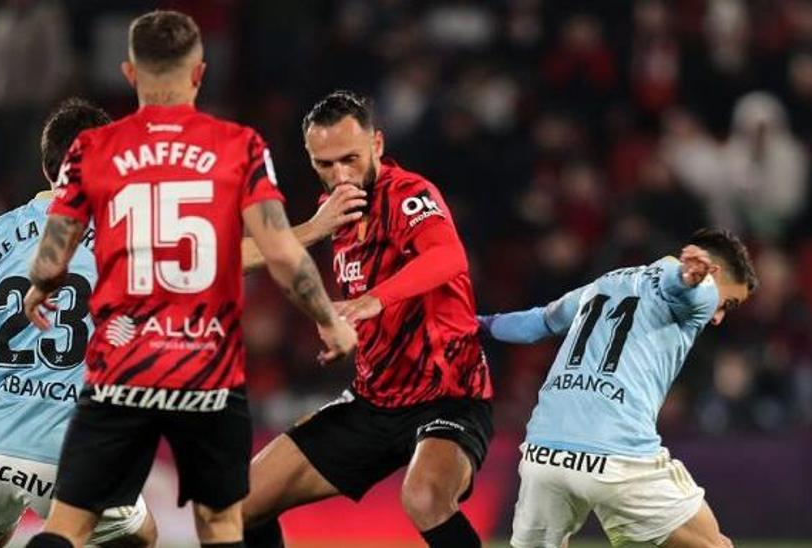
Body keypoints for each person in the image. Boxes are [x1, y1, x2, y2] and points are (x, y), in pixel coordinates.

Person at [19, 10, 356, 548]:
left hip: (121, 372)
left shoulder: (91, 150)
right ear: (199, 72)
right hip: (208, 372)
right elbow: (282, 256)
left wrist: (41, 284)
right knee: (222, 527)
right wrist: (327, 320)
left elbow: (53, 251)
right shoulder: (240, 146)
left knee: (68, 527)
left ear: (130, 73)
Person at [0, 99, 158, 548]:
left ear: (45, 166)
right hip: (77, 451)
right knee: (140, 537)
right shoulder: (126, 232)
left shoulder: (1, 232)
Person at [242, 91, 494, 548]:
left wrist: (374, 300)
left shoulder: (408, 195)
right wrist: (316, 237)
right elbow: (248, 259)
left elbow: (448, 256)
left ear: (376, 144)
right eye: (324, 164)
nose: (340, 175)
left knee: (424, 497)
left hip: (449, 395)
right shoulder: (334, 215)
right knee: (241, 504)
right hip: (373, 401)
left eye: (350, 159)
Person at [478, 228, 756, 548]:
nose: (719, 317)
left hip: (543, 452)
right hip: (616, 455)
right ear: (715, 271)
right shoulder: (698, 285)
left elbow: (537, 322)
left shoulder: (602, 285)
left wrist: (476, 324)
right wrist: (689, 278)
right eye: (729, 303)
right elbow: (681, 288)